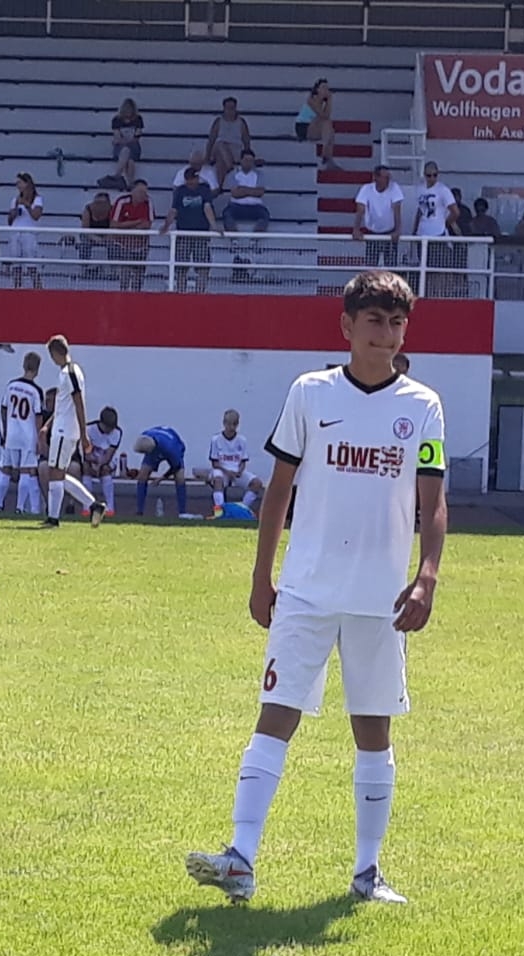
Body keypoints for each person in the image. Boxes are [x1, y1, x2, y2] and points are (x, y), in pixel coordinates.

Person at [185, 271, 446, 906]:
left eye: (397, 323)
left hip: (381, 600)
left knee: (373, 730)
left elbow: (433, 500)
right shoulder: (310, 392)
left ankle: (367, 873)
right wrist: (261, 576)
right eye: (375, 321)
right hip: (305, 591)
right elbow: (279, 489)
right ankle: (241, 857)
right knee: (275, 713)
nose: (387, 335)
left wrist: (427, 575)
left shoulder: (423, 406)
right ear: (347, 326)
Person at [41, 335, 105, 528]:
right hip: (62, 427)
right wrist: (48, 425)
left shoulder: (70, 373)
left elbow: (78, 402)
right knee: (57, 472)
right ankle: (92, 505)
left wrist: (84, 434)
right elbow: (64, 404)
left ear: (55, 353)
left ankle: (54, 518)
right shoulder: (69, 372)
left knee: (56, 472)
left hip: (65, 429)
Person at [0, 351, 45, 514]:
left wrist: (5, 430)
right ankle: (19, 507)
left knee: (6, 468)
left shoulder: (11, 385)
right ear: (37, 369)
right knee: (26, 471)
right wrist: (39, 440)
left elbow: (3, 408)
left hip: (12, 433)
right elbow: (38, 416)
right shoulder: (36, 391)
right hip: (28, 436)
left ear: (23, 365)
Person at [161, 165, 220, 293]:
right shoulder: (180, 191)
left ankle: (201, 292)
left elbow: (207, 207)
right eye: (188, 180)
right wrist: (166, 226)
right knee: (181, 266)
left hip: (201, 234)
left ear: (197, 178)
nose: (190, 182)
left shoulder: (204, 189)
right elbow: (173, 210)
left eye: (192, 179)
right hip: (183, 234)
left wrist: (214, 226)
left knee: (203, 266)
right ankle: (181, 291)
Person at [202, 407, 265, 515]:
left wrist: (239, 471)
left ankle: (242, 509)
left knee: (257, 483)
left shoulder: (242, 440)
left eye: (234, 424)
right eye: (229, 424)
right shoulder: (216, 439)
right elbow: (215, 463)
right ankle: (220, 512)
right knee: (218, 480)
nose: (231, 427)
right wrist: (227, 472)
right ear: (224, 423)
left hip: (236, 471)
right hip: (222, 470)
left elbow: (243, 461)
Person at [353, 164, 406, 268]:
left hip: (389, 233)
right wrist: (356, 229)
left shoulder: (394, 188)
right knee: (371, 266)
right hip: (372, 233)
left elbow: (397, 209)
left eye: (388, 177)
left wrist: (397, 230)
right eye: (385, 177)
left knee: (390, 267)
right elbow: (360, 210)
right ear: (376, 178)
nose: (387, 180)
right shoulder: (366, 189)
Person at [133, 425, 187, 516]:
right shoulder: (145, 437)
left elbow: (176, 467)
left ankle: (182, 512)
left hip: (174, 446)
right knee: (142, 476)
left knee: (180, 477)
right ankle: (139, 511)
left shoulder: (171, 449)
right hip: (156, 446)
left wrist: (161, 478)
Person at [110, 180, 154, 293]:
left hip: (141, 246)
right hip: (122, 245)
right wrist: (136, 222)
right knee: (125, 273)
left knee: (139, 276)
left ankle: (136, 296)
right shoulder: (121, 202)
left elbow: (147, 224)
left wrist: (126, 226)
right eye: (140, 192)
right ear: (132, 191)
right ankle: (123, 295)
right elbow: (114, 224)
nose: (143, 195)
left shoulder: (148, 202)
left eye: (145, 192)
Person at [81, 406, 123, 516]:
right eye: (107, 428)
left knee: (105, 470)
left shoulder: (117, 433)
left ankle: (110, 508)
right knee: (86, 468)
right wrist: (93, 462)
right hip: (91, 460)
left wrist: (100, 465)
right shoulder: (89, 430)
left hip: (105, 462)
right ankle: (87, 506)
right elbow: (86, 453)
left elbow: (109, 455)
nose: (109, 431)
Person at [6, 173, 45, 290]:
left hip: (29, 234)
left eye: (20, 182)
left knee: (31, 264)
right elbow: (9, 221)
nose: (17, 185)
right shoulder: (15, 200)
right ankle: (17, 287)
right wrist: (13, 212)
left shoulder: (37, 199)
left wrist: (27, 205)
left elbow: (36, 216)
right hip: (15, 233)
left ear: (27, 183)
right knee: (16, 264)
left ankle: (38, 288)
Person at [222, 149, 271, 233]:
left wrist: (242, 189)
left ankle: (256, 237)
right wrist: (252, 191)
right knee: (227, 214)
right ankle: (234, 236)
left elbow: (260, 192)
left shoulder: (259, 174)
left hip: (255, 206)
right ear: (241, 160)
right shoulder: (233, 174)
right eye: (246, 160)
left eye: (251, 161)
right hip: (236, 206)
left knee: (265, 215)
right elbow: (235, 193)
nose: (248, 163)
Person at [206, 96, 253, 181]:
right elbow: (211, 140)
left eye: (232, 108)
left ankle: (219, 186)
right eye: (228, 108)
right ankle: (230, 166)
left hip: (235, 151)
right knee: (220, 144)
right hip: (218, 149)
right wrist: (207, 156)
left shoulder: (241, 122)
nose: (230, 111)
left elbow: (246, 141)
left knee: (220, 161)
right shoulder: (218, 121)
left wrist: (247, 157)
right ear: (224, 108)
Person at [295, 78, 336, 169]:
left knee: (331, 131)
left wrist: (329, 101)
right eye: (323, 87)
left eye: (327, 88)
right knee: (326, 122)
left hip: (314, 126)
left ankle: (328, 159)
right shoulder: (311, 100)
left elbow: (327, 115)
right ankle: (325, 155)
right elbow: (323, 115)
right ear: (317, 89)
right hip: (304, 127)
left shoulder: (323, 102)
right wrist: (329, 100)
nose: (326, 90)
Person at [107, 97, 144, 189]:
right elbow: (117, 137)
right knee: (126, 153)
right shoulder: (117, 120)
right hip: (120, 148)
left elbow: (137, 137)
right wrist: (122, 141)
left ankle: (119, 176)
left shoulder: (138, 119)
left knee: (130, 160)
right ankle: (128, 182)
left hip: (134, 147)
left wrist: (123, 140)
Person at [79, 191, 114, 278]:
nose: (99, 205)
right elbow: (85, 228)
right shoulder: (88, 209)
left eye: (102, 203)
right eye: (97, 202)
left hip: (108, 235)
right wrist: (95, 238)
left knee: (114, 244)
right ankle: (84, 268)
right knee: (84, 243)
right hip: (90, 235)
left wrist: (106, 238)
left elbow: (114, 228)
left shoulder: (112, 210)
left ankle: (113, 269)